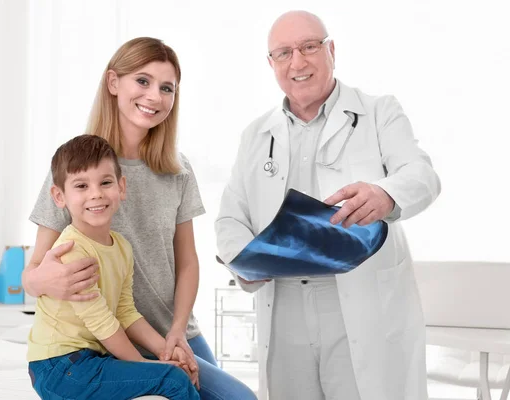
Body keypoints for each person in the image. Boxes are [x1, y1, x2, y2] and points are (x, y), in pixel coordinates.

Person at [215, 10, 441, 400]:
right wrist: (244, 263)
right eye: (283, 53)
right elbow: (230, 218)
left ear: (331, 50)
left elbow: (422, 175)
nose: (297, 62)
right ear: (271, 64)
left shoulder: (378, 112)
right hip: (284, 305)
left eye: (308, 47)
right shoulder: (255, 135)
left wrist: (385, 195)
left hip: (357, 300)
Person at [22, 37, 257, 400]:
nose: (155, 96)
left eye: (167, 88)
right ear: (114, 83)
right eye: (143, 81)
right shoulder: (77, 168)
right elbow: (34, 276)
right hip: (106, 339)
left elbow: (188, 261)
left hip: (168, 331)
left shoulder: (178, 170)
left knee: (238, 398)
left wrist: (177, 332)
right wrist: (41, 279)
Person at [27, 134, 199, 400]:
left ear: (121, 187)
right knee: (173, 380)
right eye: (81, 186)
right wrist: (147, 366)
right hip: (59, 366)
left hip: (90, 360)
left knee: (175, 374)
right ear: (59, 196)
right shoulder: (72, 250)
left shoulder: (121, 247)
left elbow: (125, 312)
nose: (96, 194)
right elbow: (102, 322)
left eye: (105, 182)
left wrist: (166, 350)